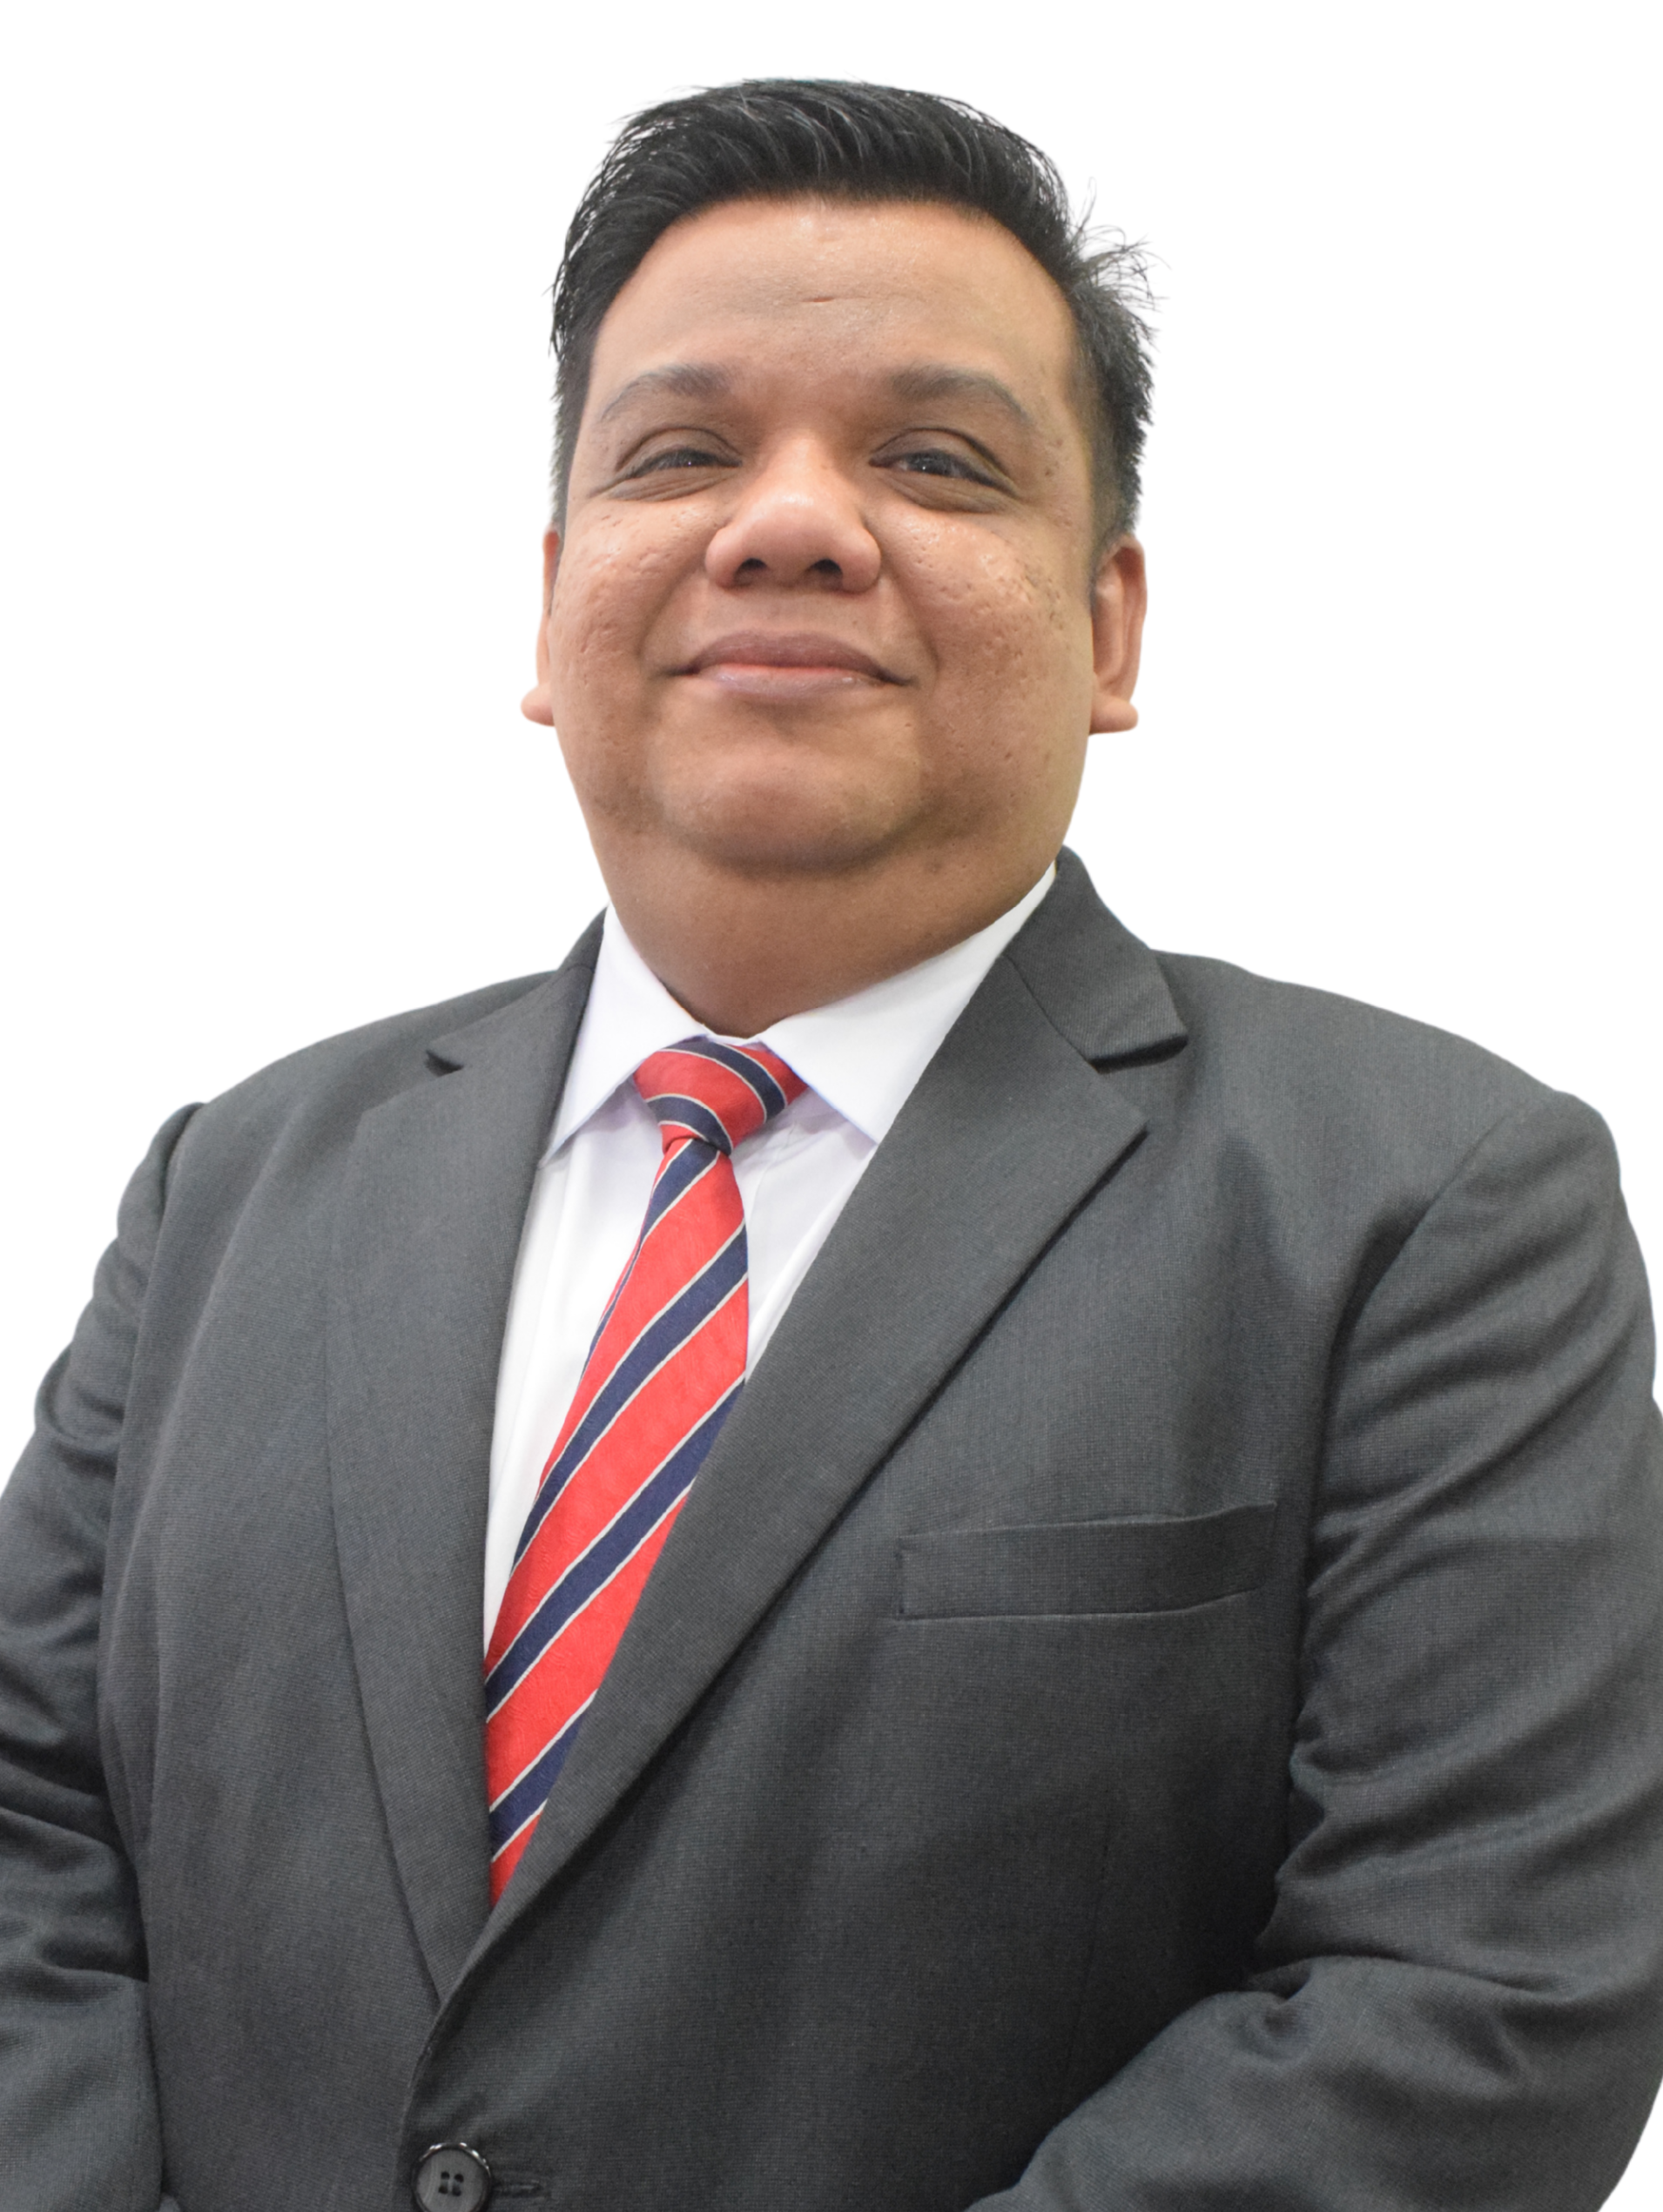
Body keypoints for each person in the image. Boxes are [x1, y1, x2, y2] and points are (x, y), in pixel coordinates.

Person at [1, 76, 1660, 2212]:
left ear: (1111, 628)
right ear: (552, 604)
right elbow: (29, 1826)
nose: (787, 524)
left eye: (934, 459)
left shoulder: (1429, 1209)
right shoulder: (233, 1187)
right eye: (679, 454)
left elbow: (1472, 1995)